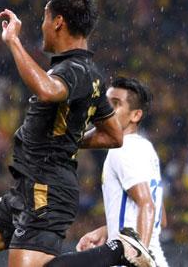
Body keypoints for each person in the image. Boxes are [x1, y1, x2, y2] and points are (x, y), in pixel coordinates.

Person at [0, 0, 152, 267]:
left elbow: (48, 90)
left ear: (58, 22)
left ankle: (118, 251)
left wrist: (13, 41)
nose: (42, 26)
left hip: (48, 189)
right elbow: (114, 135)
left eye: (44, 18)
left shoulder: (75, 70)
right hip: (26, 189)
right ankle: (118, 251)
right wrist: (69, 140)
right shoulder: (90, 75)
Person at [45, 77, 166, 267]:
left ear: (135, 115)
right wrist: (107, 230)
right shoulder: (146, 149)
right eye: (105, 102)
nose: (106, 109)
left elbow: (147, 205)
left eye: (115, 104)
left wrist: (139, 258)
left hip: (131, 260)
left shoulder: (124, 150)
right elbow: (160, 217)